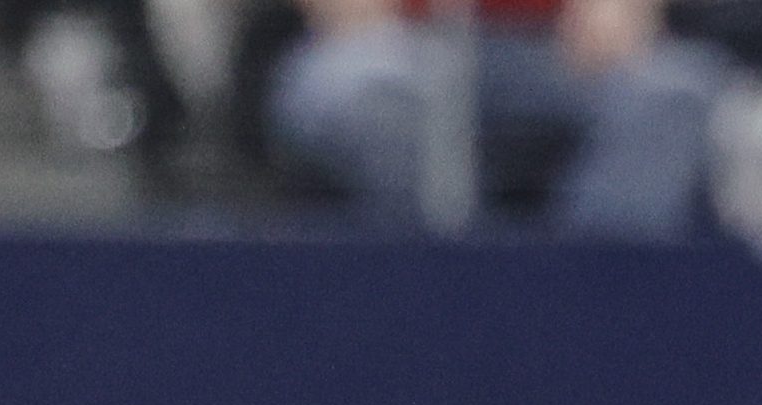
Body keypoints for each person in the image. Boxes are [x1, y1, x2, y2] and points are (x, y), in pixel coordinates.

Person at [272, 0, 723, 234]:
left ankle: (587, 304)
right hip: (402, 48)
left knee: (673, 92)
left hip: (556, 51)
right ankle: (447, 303)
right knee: (365, 95)